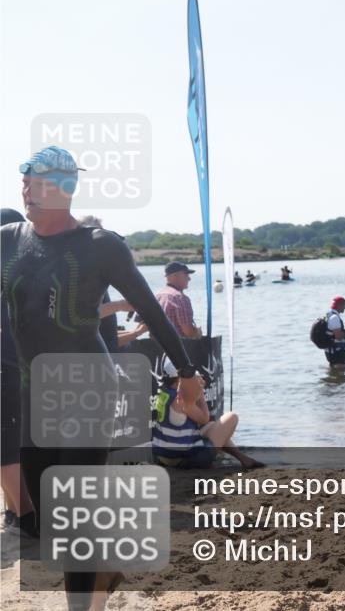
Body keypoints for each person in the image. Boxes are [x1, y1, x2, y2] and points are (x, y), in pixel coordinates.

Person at [1, 146, 202, 611]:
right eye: (25, 183)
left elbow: (150, 309)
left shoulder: (100, 245)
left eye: (39, 184)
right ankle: (105, 570)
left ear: (66, 188)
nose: (28, 192)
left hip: (88, 388)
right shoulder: (7, 240)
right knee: (51, 520)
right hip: (34, 393)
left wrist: (186, 371)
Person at [152, 360, 262, 469]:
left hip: (164, 456)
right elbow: (204, 418)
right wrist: (200, 391)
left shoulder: (164, 393)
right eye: (191, 379)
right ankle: (230, 459)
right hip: (185, 459)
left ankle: (243, 458)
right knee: (232, 417)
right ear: (180, 380)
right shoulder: (181, 399)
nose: (194, 380)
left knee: (212, 426)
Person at [0, 208, 36, 539]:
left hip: (11, 366)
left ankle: (22, 514)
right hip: (16, 366)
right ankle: (17, 512)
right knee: (9, 445)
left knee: (8, 446)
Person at [155, 262, 203, 338]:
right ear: (175, 276)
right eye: (186, 275)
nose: (189, 279)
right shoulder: (179, 298)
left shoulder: (158, 295)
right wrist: (197, 332)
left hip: (159, 342)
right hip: (178, 344)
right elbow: (188, 332)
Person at [323, 296, 345, 370]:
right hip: (337, 351)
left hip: (331, 350)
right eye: (344, 305)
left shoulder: (328, 315)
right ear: (339, 305)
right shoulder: (335, 318)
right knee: (342, 372)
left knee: (333, 372)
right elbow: (338, 336)